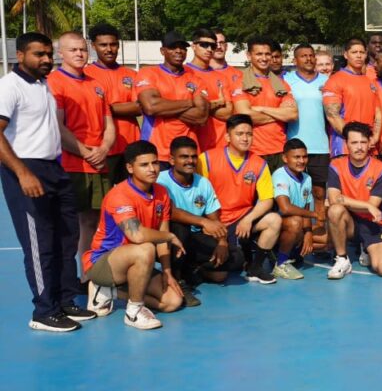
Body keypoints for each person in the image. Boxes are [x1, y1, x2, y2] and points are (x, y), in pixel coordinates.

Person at [1, 32, 93, 332]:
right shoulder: (9, 86)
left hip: (54, 168)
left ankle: (66, 300)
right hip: (26, 169)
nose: (45, 60)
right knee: (40, 245)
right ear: (20, 55)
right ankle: (43, 311)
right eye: (38, 54)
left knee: (65, 238)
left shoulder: (43, 85)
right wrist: (23, 173)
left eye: (48, 54)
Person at [83, 140, 185, 330]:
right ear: (130, 168)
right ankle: (134, 311)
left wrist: (167, 272)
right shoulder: (119, 195)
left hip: (135, 262)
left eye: (155, 163)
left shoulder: (161, 193)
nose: (152, 169)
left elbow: (162, 234)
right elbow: (137, 235)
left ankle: (113, 293)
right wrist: (170, 237)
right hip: (103, 263)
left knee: (173, 301)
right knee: (145, 248)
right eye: (144, 165)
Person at [49, 32, 116, 278]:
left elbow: (109, 123)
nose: (79, 54)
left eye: (82, 49)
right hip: (72, 164)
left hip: (99, 163)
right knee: (72, 226)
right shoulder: (55, 82)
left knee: (97, 222)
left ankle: (90, 274)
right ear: (61, 53)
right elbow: (58, 126)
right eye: (73, 50)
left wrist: (104, 149)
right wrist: (86, 153)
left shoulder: (96, 83)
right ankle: (73, 278)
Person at [158, 136, 243, 306]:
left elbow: (214, 218)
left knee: (236, 257)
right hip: (168, 239)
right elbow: (169, 211)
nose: (190, 161)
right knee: (179, 228)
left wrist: (222, 242)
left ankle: (194, 270)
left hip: (195, 240)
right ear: (172, 160)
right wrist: (202, 222)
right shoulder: (160, 181)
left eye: (193, 156)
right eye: (184, 157)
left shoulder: (203, 182)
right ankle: (178, 281)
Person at [198, 114, 282, 285]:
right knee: (221, 275)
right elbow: (198, 198)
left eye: (249, 134)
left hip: (242, 219)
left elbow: (267, 199)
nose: (245, 138)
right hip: (215, 222)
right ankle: (195, 269)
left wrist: (248, 219)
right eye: (240, 133)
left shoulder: (259, 163)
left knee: (274, 219)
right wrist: (209, 225)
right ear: (228, 136)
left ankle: (256, 268)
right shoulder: (206, 159)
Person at [325, 122, 382, 278]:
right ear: (346, 144)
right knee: (335, 210)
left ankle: (366, 247)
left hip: (373, 224)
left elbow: (374, 205)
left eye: (363, 142)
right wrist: (366, 206)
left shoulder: (380, 168)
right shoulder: (335, 165)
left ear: (369, 143)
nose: (359, 147)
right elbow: (335, 200)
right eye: (354, 142)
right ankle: (342, 259)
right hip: (349, 222)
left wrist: (367, 207)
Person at [135, 31, 209, 165]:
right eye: (173, 47)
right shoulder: (148, 73)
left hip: (187, 153)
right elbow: (151, 107)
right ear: (163, 51)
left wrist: (164, 107)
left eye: (182, 47)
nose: (179, 51)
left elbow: (201, 116)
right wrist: (191, 102)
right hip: (156, 152)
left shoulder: (196, 79)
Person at [283, 43, 331, 237]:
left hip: (320, 145)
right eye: (303, 56)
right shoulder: (286, 81)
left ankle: (319, 229)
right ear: (295, 60)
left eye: (311, 55)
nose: (309, 59)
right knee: (297, 193)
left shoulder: (327, 81)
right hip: (295, 144)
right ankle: (300, 233)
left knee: (319, 192)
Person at [85, 23, 141, 184]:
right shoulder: (86, 75)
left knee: (132, 193)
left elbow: (140, 107)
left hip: (131, 146)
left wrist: (104, 108)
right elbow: (88, 109)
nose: (109, 49)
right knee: (103, 199)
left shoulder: (131, 74)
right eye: (103, 45)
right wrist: (124, 107)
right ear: (93, 46)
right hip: (102, 148)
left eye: (113, 44)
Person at [231, 36, 298, 171]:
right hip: (254, 151)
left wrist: (261, 109)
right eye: (259, 54)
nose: (264, 58)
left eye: (267, 54)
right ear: (249, 56)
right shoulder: (240, 83)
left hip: (280, 150)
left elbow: (292, 114)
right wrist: (278, 114)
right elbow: (245, 117)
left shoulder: (281, 84)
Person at [323, 38, 382, 158]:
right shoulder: (335, 80)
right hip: (345, 148)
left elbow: (378, 113)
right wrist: (356, 139)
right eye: (354, 52)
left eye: (362, 52)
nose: (359, 56)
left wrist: (374, 138)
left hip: (369, 148)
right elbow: (332, 116)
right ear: (346, 55)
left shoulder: (370, 82)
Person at [269, 139, 316, 280]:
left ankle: (294, 253)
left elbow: (306, 209)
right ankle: (280, 263)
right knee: (295, 222)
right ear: (285, 158)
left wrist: (308, 234)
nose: (301, 161)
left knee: (329, 237)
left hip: (298, 229)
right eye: (296, 157)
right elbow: (285, 208)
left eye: (304, 157)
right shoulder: (280, 175)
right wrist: (315, 214)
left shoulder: (307, 178)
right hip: (277, 229)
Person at [185, 28, 235, 152]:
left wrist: (202, 106)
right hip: (191, 145)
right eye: (204, 45)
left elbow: (228, 113)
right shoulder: (184, 73)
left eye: (212, 46)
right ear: (193, 46)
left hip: (219, 145)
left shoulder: (220, 77)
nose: (209, 49)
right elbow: (185, 109)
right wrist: (217, 103)